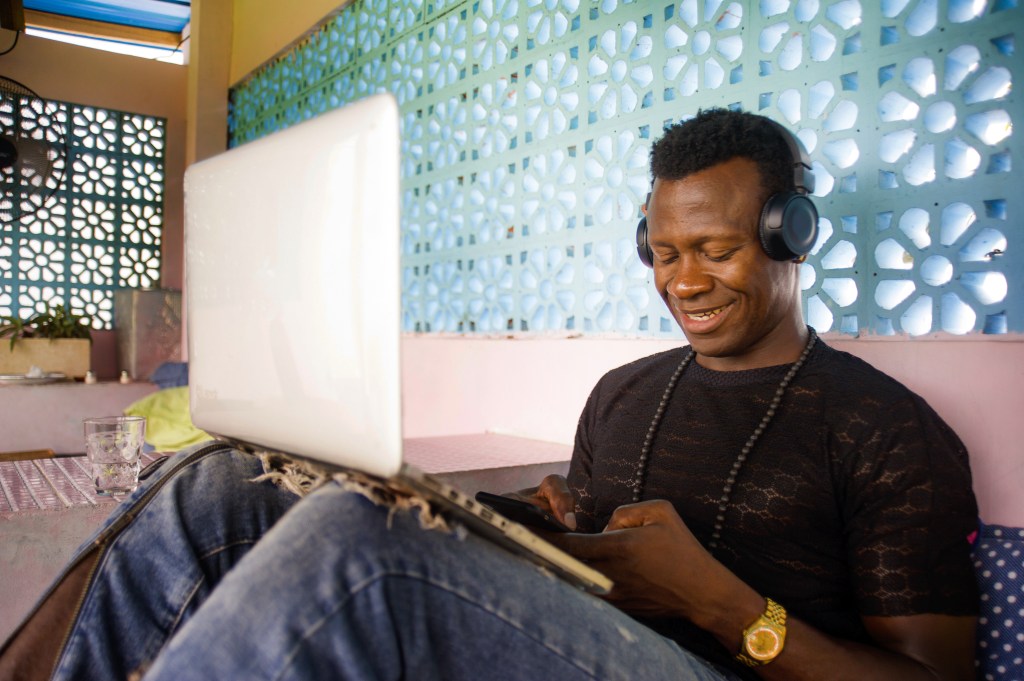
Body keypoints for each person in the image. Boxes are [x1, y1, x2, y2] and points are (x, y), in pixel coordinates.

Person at [0, 109, 978, 681]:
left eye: (717, 251)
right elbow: (597, 559)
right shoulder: (622, 393)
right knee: (223, 480)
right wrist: (528, 524)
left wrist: (723, 605)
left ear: (787, 234)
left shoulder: (883, 429)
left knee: (350, 549)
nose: (684, 281)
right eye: (665, 253)